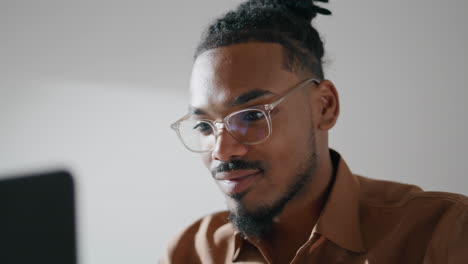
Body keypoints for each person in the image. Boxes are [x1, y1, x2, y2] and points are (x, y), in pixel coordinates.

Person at [161, 0, 468, 263]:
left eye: (252, 115)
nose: (222, 151)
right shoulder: (190, 252)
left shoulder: (441, 232)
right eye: (204, 126)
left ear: (325, 107)